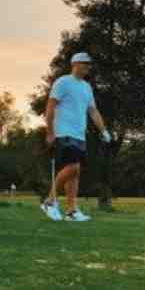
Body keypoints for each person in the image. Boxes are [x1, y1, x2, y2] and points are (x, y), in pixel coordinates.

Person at [41, 52, 111, 221]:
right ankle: (49, 201)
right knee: (73, 168)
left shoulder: (86, 87)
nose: (87, 66)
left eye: (89, 64)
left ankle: (71, 211)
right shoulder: (63, 82)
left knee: (75, 172)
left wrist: (103, 131)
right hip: (63, 132)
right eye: (84, 63)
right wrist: (50, 131)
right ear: (75, 64)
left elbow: (93, 111)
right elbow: (50, 107)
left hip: (80, 134)